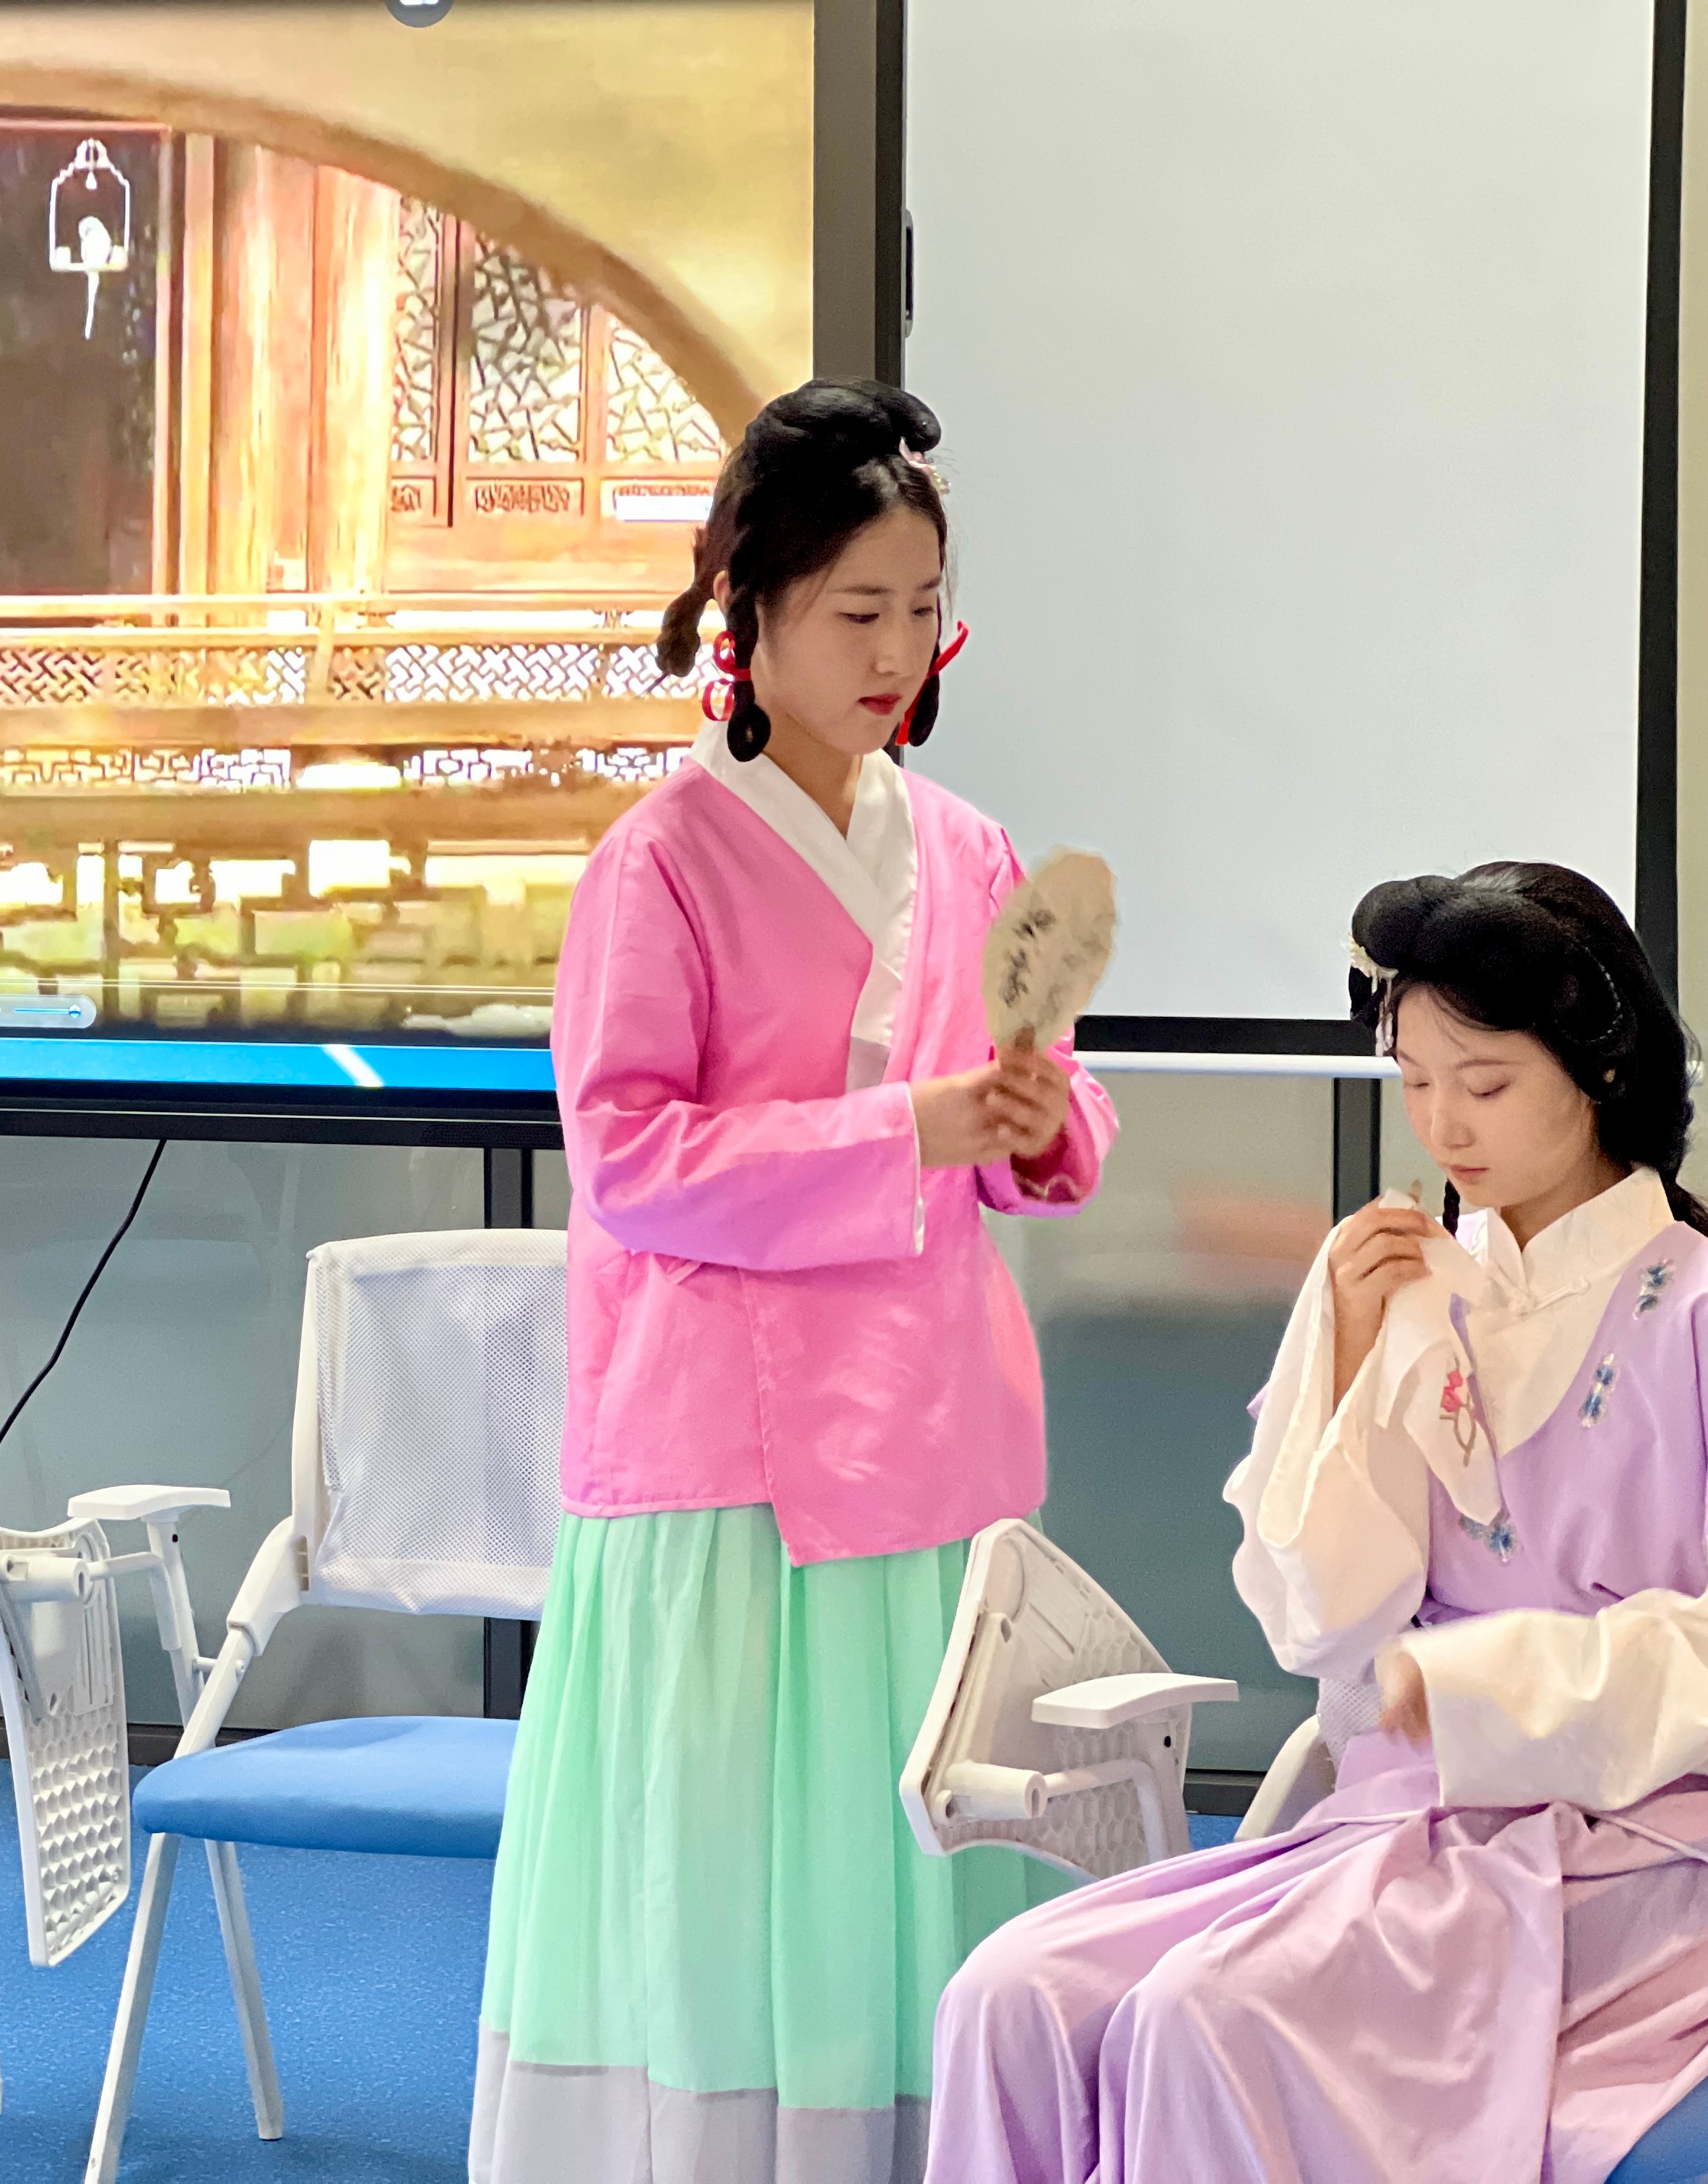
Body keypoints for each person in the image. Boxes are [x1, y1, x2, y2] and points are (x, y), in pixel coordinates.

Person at [924, 862, 1708, 2184]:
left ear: (1598, 1072)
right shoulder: (1396, 1278)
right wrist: (1355, 1366)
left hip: (1649, 1855)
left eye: (1485, 1084)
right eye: (1414, 1081)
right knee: (1010, 1991)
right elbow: (1317, 1626)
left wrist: (1478, 1678)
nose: (1441, 1124)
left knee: (1203, 2016)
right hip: (1407, 1826)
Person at [469, 380, 1120, 2184]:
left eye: (924, 613)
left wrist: (1035, 1123)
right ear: (747, 611)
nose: (896, 655)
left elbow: (1041, 1120)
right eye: (858, 614)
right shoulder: (658, 865)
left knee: (918, 1863)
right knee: (728, 1877)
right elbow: (629, 1161)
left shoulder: (969, 849)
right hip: (724, 1464)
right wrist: (910, 1126)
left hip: (931, 1440)